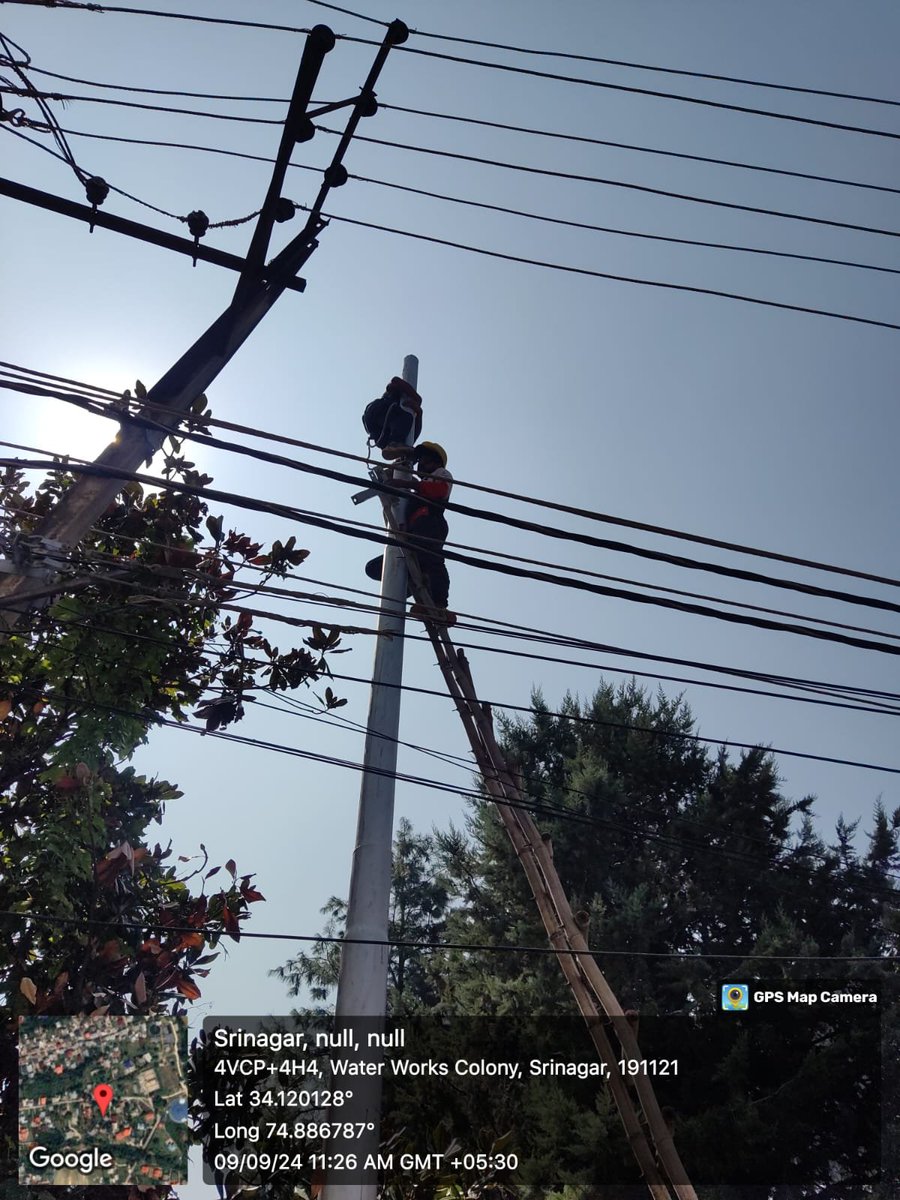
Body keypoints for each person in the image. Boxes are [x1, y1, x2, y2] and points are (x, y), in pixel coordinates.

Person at [365, 441, 455, 626]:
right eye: (420, 460)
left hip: (430, 522)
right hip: (414, 528)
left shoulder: (441, 474)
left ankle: (439, 605)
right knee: (376, 567)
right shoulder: (419, 484)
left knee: (432, 560)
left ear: (435, 461)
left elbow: (439, 490)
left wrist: (409, 483)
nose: (421, 463)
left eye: (425, 459)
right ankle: (416, 591)